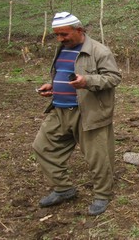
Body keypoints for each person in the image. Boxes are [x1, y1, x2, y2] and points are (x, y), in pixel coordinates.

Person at [33, 12, 122, 215]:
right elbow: (63, 75)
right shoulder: (62, 49)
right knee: (42, 147)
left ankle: (102, 195)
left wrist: (87, 81)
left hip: (89, 113)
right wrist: (53, 86)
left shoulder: (99, 51)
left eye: (63, 34)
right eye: (57, 35)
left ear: (79, 30)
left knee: (98, 157)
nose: (60, 39)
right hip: (59, 110)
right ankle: (64, 189)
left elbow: (113, 78)